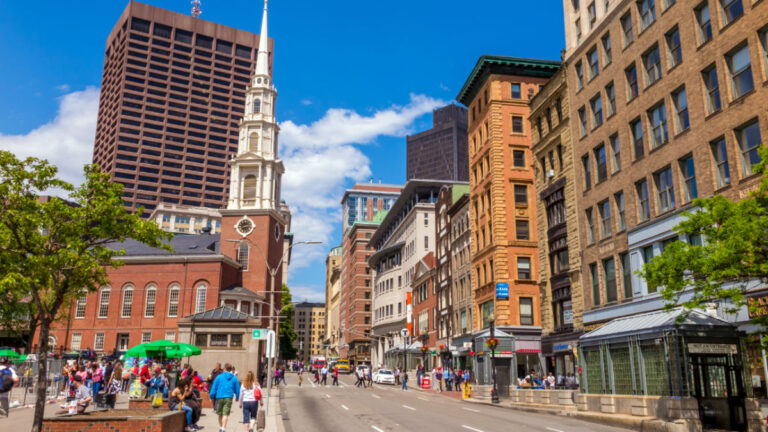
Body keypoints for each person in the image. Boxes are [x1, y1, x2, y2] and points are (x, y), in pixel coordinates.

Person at [210, 363, 241, 432]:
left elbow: (214, 387)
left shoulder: (219, 377)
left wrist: (211, 396)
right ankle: (223, 428)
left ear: (224, 368)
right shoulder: (234, 378)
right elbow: (237, 388)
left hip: (219, 397)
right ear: (230, 369)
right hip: (229, 397)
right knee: (225, 414)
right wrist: (237, 396)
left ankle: (221, 427)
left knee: (220, 413)